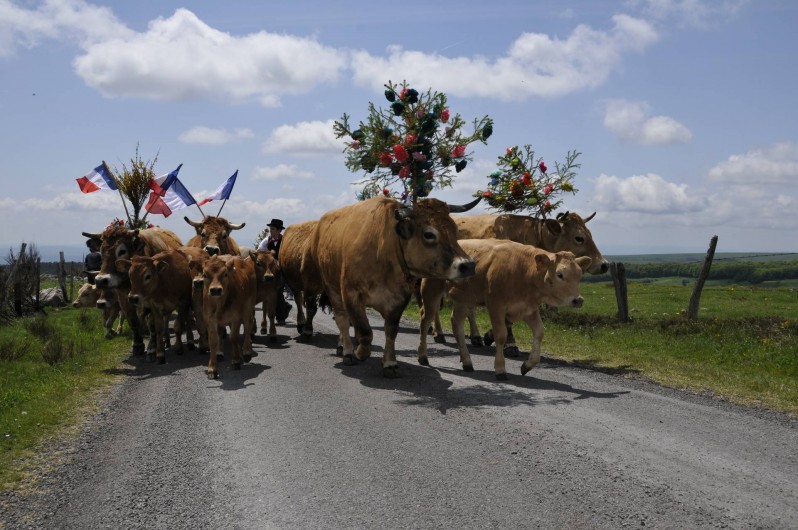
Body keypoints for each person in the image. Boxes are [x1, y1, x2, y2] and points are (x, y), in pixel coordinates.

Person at [258, 219, 292, 324]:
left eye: (272, 229)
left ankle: (280, 317)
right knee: (272, 292)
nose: (270, 231)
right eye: (270, 229)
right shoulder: (266, 240)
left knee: (278, 292)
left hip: (281, 270)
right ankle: (285, 308)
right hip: (269, 270)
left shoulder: (285, 241)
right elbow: (259, 252)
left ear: (278, 230)